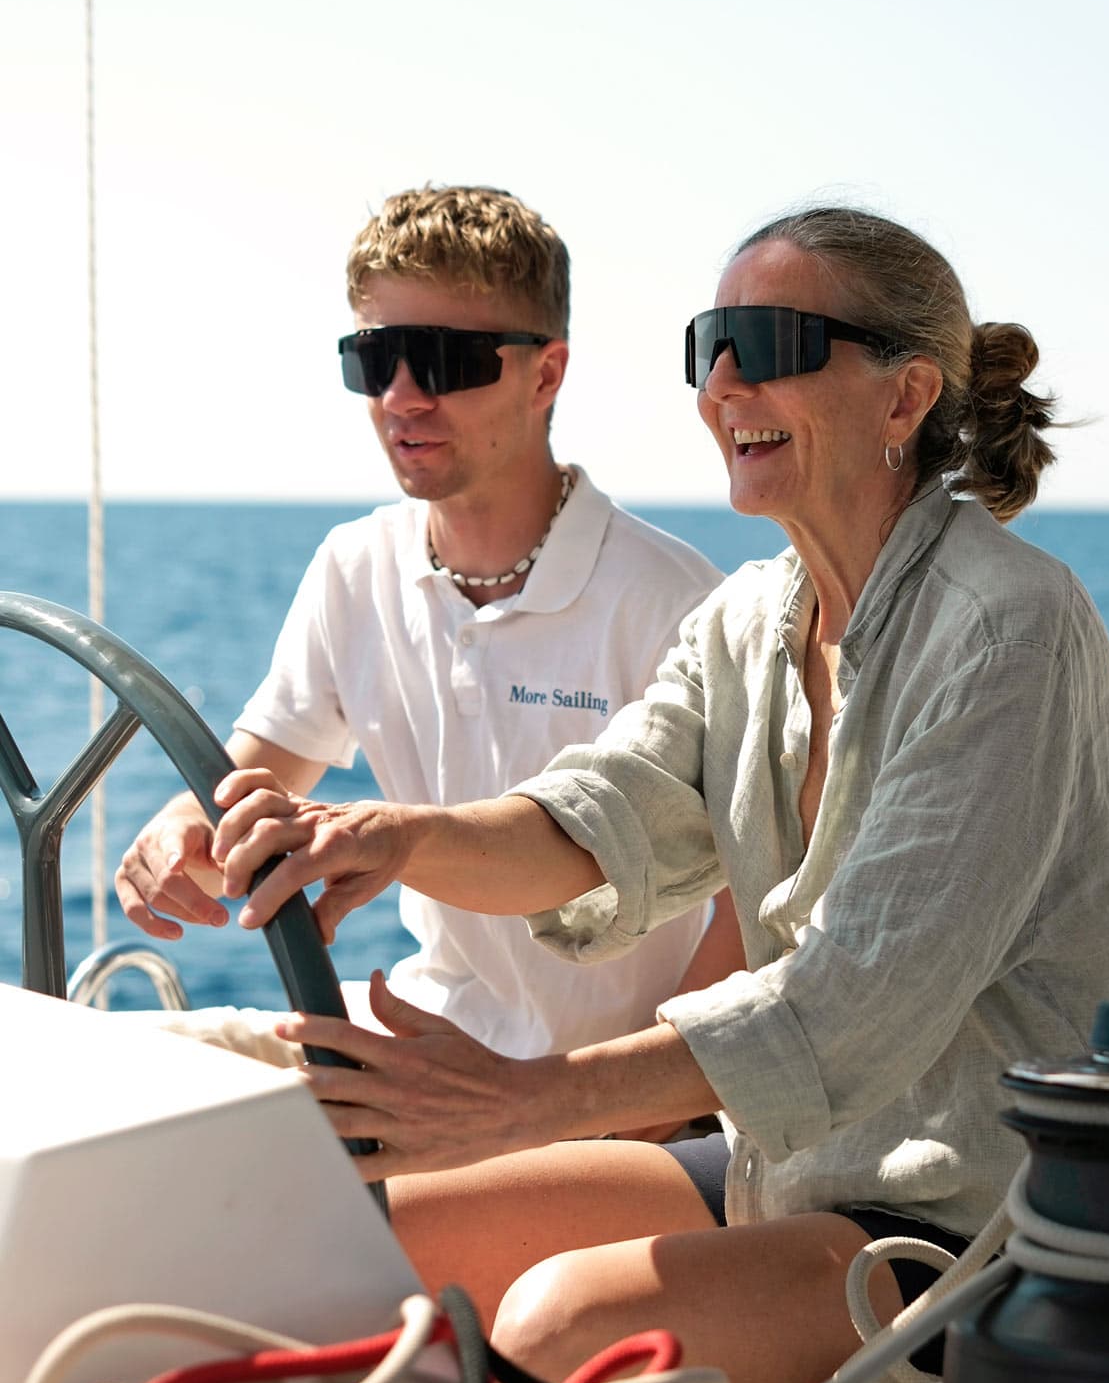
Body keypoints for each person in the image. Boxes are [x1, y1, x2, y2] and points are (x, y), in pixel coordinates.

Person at [208, 204, 1109, 1383]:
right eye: (708, 345)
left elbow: (847, 1006)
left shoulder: (1006, 627)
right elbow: (591, 821)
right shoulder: (748, 620)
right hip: (796, 1173)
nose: (721, 384)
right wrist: (393, 836)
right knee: (339, 1228)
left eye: (766, 344)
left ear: (904, 394)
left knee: (567, 1325)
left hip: (1006, 1220)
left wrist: (516, 1101)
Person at [115, 183, 736, 1058]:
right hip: (412, 1039)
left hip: (593, 1087)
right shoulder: (354, 567)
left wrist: (628, 1111)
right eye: (376, 360)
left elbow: (752, 908)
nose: (402, 397)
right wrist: (185, 823)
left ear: (545, 374)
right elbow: (255, 774)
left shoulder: (675, 602)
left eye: (444, 361)